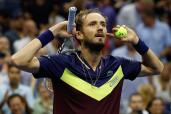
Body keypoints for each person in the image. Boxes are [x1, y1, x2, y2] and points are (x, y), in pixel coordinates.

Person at [10, 9, 163, 114]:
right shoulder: (61, 63)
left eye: (103, 24)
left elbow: (157, 68)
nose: (100, 28)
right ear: (79, 34)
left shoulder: (118, 65)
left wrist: (136, 41)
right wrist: (54, 31)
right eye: (92, 24)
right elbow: (18, 60)